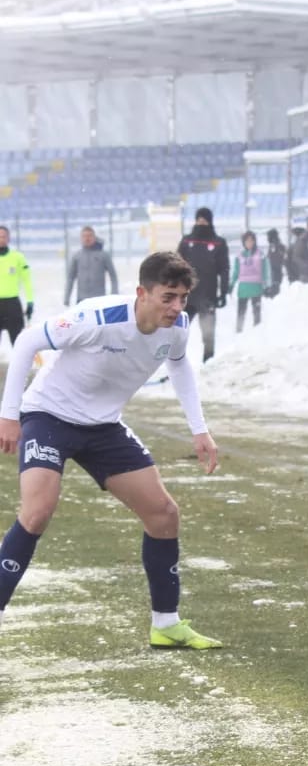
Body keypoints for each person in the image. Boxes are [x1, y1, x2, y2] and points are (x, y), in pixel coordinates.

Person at [0, 251, 222, 649]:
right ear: (142, 292)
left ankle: (165, 624)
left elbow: (179, 366)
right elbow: (29, 340)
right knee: (36, 513)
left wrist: (199, 430)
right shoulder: (99, 317)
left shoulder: (178, 328)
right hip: (48, 416)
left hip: (103, 428)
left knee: (164, 514)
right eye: (168, 297)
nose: (176, 307)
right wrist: (9, 415)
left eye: (183, 298)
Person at [177, 207, 229, 363]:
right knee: (178, 331)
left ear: (210, 221)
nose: (201, 223)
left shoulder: (218, 243)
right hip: (187, 295)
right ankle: (175, 362)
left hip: (208, 295)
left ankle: (208, 362)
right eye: (199, 220)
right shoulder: (187, 241)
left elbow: (224, 269)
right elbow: (176, 264)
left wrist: (224, 291)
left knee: (208, 334)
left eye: (204, 220)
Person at [64, 226, 119, 306]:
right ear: (81, 238)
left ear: (94, 237)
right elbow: (70, 278)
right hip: (81, 300)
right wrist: (67, 298)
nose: (87, 238)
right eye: (84, 236)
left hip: (99, 300)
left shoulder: (103, 255)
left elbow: (113, 276)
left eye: (89, 236)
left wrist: (114, 294)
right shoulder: (77, 256)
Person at [0, 225, 33, 353]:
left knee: (18, 344)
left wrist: (30, 302)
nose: (1, 239)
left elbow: (27, 281)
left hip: (12, 306)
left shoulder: (18, 257)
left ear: (8, 238)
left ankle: (19, 372)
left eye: (3, 236)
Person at [229, 231, 270, 332]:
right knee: (241, 312)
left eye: (252, 240)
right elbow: (236, 272)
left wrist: (267, 285)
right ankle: (239, 331)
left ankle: (257, 331)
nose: (249, 243)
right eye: (247, 241)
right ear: (244, 242)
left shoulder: (260, 255)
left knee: (256, 312)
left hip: (256, 287)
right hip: (243, 288)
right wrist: (231, 285)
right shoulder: (240, 256)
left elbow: (265, 271)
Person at [264, 228, 287, 298]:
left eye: (268, 236)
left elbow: (274, 260)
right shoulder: (277, 245)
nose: (267, 238)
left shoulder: (275, 246)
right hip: (275, 272)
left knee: (274, 292)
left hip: (275, 272)